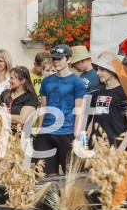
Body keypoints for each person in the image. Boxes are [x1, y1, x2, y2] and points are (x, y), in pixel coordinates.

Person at [35, 44, 88, 176]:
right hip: (47, 132)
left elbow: (79, 111)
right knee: (46, 174)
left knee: (70, 174)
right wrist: (40, 130)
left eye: (60, 58)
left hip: (67, 131)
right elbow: (43, 107)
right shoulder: (47, 81)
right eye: (54, 59)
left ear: (69, 60)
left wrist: (76, 136)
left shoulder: (77, 82)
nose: (56, 62)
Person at [89, 51, 127, 151]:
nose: (98, 73)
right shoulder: (97, 93)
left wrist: (122, 147)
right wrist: (86, 140)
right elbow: (93, 120)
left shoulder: (125, 93)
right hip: (96, 147)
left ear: (112, 71)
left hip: (116, 147)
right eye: (97, 69)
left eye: (102, 69)